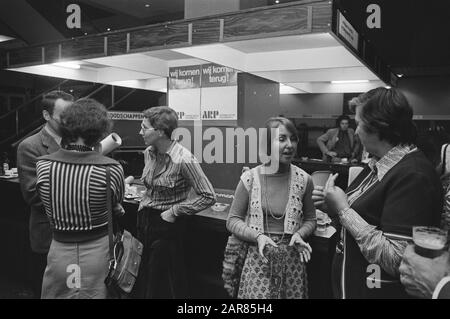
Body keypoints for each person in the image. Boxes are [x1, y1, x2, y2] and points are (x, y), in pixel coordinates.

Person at [313, 87, 443, 298]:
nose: (355, 131)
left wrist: (343, 210)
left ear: (379, 128)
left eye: (358, 124)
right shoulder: (378, 165)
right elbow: (364, 219)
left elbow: (398, 259)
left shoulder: (414, 176)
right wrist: (333, 209)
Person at [35, 98, 125, 298]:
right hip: (97, 252)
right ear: (100, 131)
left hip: (59, 250)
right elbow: (116, 201)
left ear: (66, 126)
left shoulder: (43, 165)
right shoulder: (111, 168)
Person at [226, 117, 316, 299]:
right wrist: (257, 236)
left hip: (292, 262)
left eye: (293, 138)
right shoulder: (250, 179)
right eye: (282, 139)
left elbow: (310, 220)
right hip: (259, 260)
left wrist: (300, 234)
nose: (290, 145)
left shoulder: (304, 180)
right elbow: (232, 220)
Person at [133, 106, 216, 299]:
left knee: (161, 284)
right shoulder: (149, 153)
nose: (140, 132)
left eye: (144, 128)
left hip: (167, 227)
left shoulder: (184, 159)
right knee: (143, 277)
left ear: (161, 131)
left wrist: (175, 211)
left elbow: (208, 195)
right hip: (144, 222)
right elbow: (152, 188)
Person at [16, 90, 74, 298]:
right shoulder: (30, 147)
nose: (70, 121)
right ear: (46, 115)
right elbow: (34, 195)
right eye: (63, 116)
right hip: (49, 235)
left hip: (79, 235)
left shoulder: (77, 142)